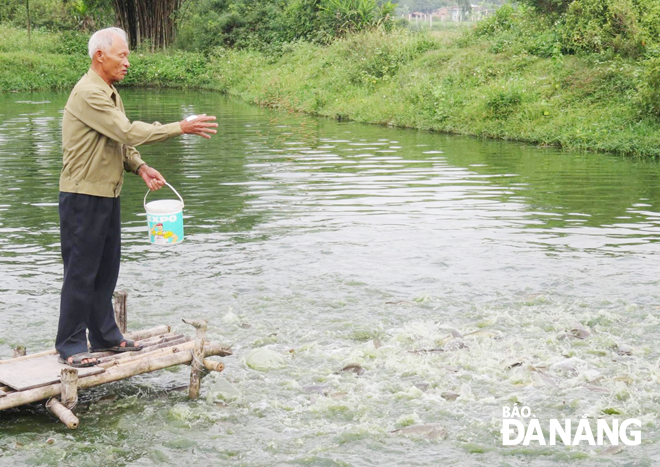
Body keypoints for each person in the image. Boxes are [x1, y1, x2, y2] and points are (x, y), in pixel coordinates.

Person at [56, 27, 218, 367]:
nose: (128, 62)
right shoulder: (89, 92)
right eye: (123, 55)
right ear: (100, 56)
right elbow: (128, 131)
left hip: (107, 192)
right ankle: (70, 345)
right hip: (82, 195)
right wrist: (180, 127)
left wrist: (140, 166)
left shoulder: (110, 92)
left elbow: (120, 140)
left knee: (105, 270)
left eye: (127, 55)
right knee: (81, 272)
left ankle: (104, 335)